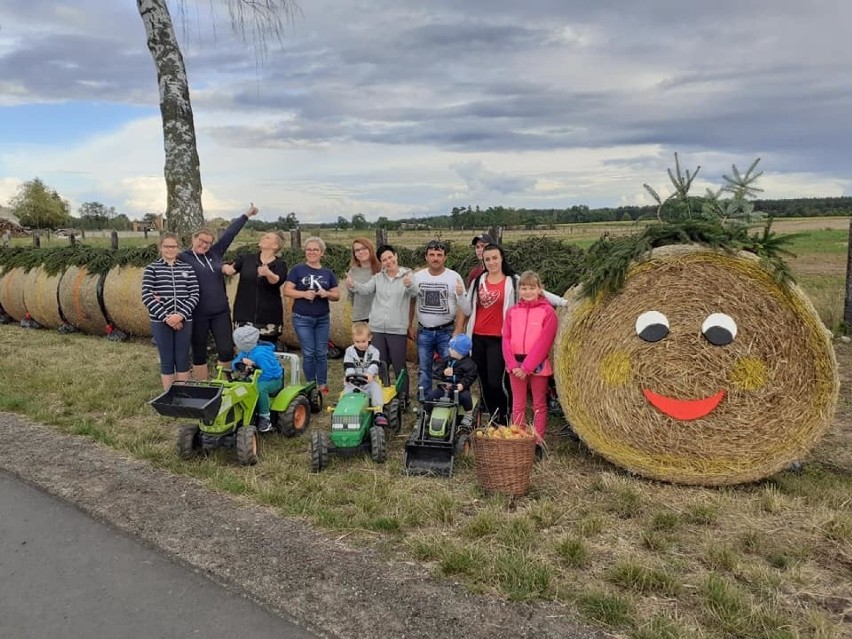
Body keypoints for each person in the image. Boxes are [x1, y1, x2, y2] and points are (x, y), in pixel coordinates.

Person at [458, 243, 566, 424]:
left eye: (495, 258)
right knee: (483, 381)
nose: (492, 262)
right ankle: (493, 416)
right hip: (477, 337)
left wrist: (564, 302)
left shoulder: (512, 280)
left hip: (499, 338)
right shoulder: (479, 281)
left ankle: (503, 413)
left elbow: (539, 291)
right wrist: (460, 295)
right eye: (488, 259)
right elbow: (468, 309)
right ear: (483, 261)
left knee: (496, 381)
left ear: (501, 259)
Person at [181, 203, 259, 380]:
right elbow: (165, 268)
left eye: (208, 242)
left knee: (225, 350)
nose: (205, 245)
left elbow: (230, 233)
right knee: (199, 351)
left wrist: (247, 214)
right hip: (197, 313)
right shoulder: (183, 257)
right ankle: (203, 386)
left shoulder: (215, 253)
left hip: (220, 312)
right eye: (201, 241)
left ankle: (226, 384)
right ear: (194, 239)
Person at [346, 244, 418, 406]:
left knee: (400, 366)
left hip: (397, 329)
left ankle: (403, 397)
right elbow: (365, 290)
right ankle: (381, 396)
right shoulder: (378, 277)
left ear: (396, 256)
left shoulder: (407, 275)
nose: (388, 261)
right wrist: (353, 285)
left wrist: (409, 284)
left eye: (390, 257)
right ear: (381, 262)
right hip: (377, 328)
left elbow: (415, 293)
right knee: (379, 365)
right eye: (384, 260)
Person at [502, 271, 558, 456]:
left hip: (538, 366)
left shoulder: (548, 312)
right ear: (519, 290)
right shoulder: (512, 312)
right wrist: (512, 365)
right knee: (518, 405)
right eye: (524, 288)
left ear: (539, 289)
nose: (527, 291)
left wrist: (527, 367)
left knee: (538, 404)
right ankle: (519, 438)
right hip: (515, 367)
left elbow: (545, 342)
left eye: (531, 288)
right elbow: (506, 339)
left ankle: (537, 442)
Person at [408, 239, 470, 396]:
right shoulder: (418, 277)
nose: (435, 258)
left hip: (446, 331)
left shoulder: (454, 277)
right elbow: (412, 301)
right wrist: (409, 324)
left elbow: (462, 305)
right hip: (424, 331)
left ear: (445, 257)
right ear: (426, 257)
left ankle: (449, 398)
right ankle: (425, 401)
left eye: (439, 255)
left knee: (450, 367)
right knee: (424, 368)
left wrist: (458, 329)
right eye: (432, 255)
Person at [142, 233, 200, 390]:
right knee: (167, 359)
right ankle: (170, 395)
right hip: (161, 321)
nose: (170, 249)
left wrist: (180, 315)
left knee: (182, 358)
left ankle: (183, 392)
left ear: (178, 248)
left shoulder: (187, 268)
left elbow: (194, 294)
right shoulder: (152, 269)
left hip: (184, 320)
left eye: (173, 246)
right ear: (161, 247)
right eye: (166, 246)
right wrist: (167, 318)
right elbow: (146, 295)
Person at [283, 237, 340, 394]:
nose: (312, 252)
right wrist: (303, 294)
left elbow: (337, 295)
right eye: (309, 249)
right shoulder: (297, 270)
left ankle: (322, 384)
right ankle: (310, 384)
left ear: (322, 253)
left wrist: (326, 293)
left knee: (321, 352)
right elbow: (287, 290)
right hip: (302, 318)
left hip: (322, 318)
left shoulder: (327, 273)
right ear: (305, 252)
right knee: (308, 352)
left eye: (315, 249)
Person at [223, 231, 288, 346]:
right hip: (244, 316)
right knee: (245, 354)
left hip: (269, 319)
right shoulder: (246, 259)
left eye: (267, 237)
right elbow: (230, 269)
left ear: (275, 246)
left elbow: (277, 280)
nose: (263, 237)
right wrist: (223, 267)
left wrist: (268, 273)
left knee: (265, 355)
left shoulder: (280, 264)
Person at [231, 325, 283, 433]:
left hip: (272, 380)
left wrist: (253, 369)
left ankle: (265, 418)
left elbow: (268, 373)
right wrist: (238, 365)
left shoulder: (261, 354)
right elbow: (235, 362)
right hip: (255, 377)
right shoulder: (245, 351)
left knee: (259, 389)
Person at [425, 333, 478, 429]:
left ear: (460, 352)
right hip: (444, 387)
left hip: (459, 389)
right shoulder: (447, 360)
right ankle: (426, 413)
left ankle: (469, 414)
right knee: (431, 396)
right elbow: (437, 368)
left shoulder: (469, 364)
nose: (449, 350)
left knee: (466, 397)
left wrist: (462, 384)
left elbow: (471, 376)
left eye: (452, 348)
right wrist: (443, 372)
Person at [342, 322, 388, 427]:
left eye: (363, 341)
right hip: (353, 381)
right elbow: (348, 366)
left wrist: (369, 374)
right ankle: (347, 411)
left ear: (369, 338)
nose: (360, 344)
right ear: (353, 339)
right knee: (346, 393)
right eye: (357, 341)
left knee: (375, 389)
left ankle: (378, 412)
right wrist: (349, 376)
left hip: (369, 381)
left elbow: (374, 364)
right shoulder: (349, 352)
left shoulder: (374, 352)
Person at [347, 238, 381, 323]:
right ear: (354, 254)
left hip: (380, 317)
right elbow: (351, 297)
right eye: (357, 250)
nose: (361, 252)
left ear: (370, 249)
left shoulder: (381, 269)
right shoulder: (352, 272)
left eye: (364, 248)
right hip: (360, 318)